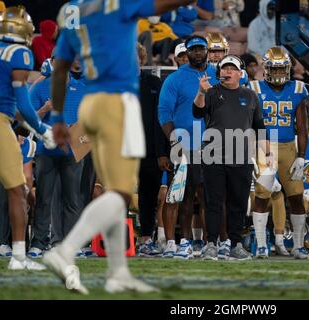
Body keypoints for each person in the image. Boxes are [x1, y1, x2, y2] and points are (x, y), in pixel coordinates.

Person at [43, 0, 195, 295]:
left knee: (113, 189)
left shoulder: (74, 13)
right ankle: (65, 251)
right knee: (120, 193)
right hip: (116, 103)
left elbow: (59, 68)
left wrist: (60, 117)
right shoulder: (117, 4)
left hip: (91, 104)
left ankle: (117, 272)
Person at [193, 54, 269, 260]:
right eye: (224, 68)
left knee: (238, 203)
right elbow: (197, 112)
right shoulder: (211, 92)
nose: (227, 71)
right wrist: (201, 91)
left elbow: (259, 127)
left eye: (231, 68)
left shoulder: (251, 96)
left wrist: (268, 156)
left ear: (240, 73)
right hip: (213, 155)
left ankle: (235, 244)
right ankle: (211, 244)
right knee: (213, 202)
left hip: (241, 156)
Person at [0, 6, 55, 271]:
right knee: (18, 190)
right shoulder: (19, 53)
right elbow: (22, 101)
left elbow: (18, 110)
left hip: (5, 119)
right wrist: (43, 130)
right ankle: (19, 256)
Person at [158, 35, 218, 259]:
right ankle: (176, 242)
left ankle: (203, 241)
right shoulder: (174, 79)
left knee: (207, 196)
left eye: (201, 49)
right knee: (178, 194)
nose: (197, 53)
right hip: (183, 143)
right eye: (193, 50)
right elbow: (164, 114)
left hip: (213, 144)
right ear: (187, 53)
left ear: (207, 51)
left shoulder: (217, 74)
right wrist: (174, 141)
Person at [249, 47, 309, 259]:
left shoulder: (298, 89)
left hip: (288, 147)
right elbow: (248, 123)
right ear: (266, 70)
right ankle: (262, 244)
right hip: (264, 147)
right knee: (262, 196)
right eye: (273, 70)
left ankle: (299, 245)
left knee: (296, 196)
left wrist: (302, 155)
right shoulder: (254, 88)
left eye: (281, 69)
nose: (277, 74)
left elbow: (302, 127)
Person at [28, 58, 86, 258]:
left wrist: (75, 130)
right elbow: (26, 118)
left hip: (72, 152)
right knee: (44, 198)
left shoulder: (82, 89)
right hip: (46, 151)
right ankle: (38, 243)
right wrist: (44, 109)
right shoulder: (39, 88)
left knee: (72, 199)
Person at [136, 43, 170, 257]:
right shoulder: (114, 85)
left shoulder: (154, 82)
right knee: (118, 195)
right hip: (121, 150)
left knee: (149, 196)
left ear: (142, 59)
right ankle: (117, 238)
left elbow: (160, 121)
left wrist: (161, 153)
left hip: (149, 150)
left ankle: (147, 239)